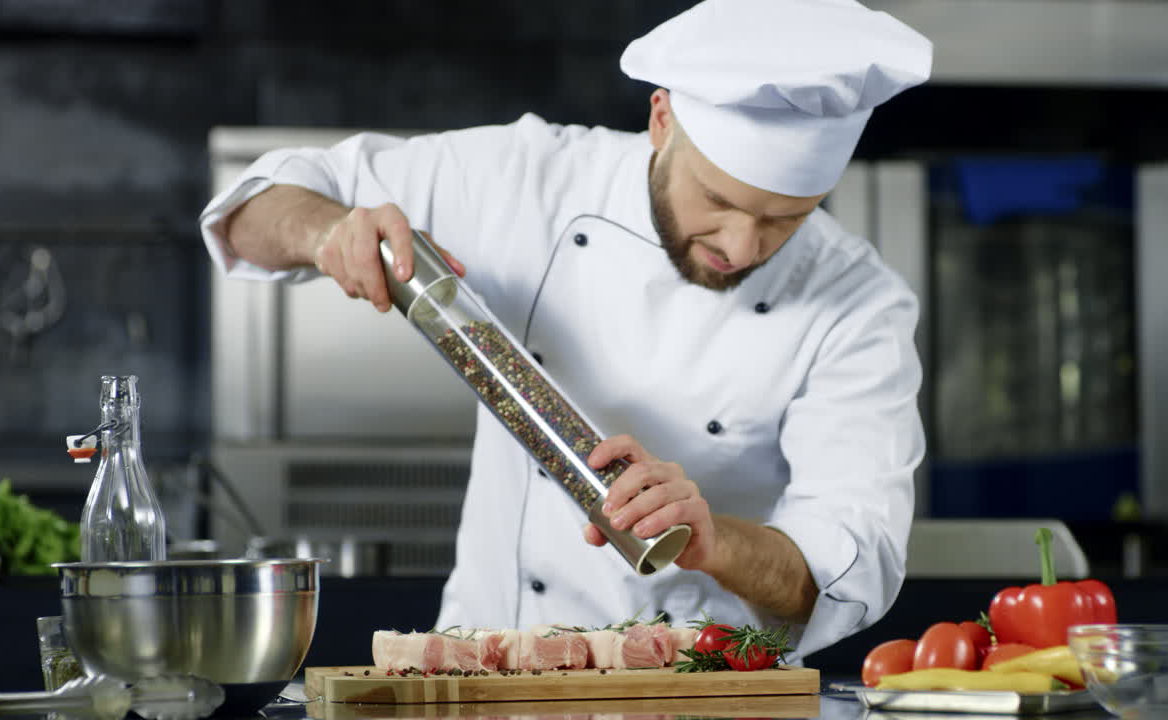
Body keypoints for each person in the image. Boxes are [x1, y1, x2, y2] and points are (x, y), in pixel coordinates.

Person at [200, 0, 932, 662]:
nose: (741, 247)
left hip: (700, 688)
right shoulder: (533, 178)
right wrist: (326, 232)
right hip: (484, 669)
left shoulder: (859, 303)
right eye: (717, 200)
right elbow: (247, 209)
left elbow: (847, 562)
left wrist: (714, 540)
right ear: (662, 120)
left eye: (785, 219)